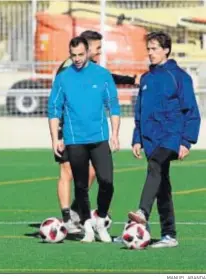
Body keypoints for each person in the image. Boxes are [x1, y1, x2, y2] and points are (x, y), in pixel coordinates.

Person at [54, 30, 139, 231]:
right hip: (69, 129)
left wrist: (130, 79)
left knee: (92, 172)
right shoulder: (69, 68)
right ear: (88, 47)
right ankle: (67, 217)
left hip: (88, 132)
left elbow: (105, 78)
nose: (100, 52)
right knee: (67, 172)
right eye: (98, 48)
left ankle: (76, 211)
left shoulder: (92, 68)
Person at [128, 31, 201, 248]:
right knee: (162, 185)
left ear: (166, 50)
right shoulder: (147, 79)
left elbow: (191, 111)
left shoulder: (179, 77)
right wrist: (137, 138)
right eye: (148, 49)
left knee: (156, 164)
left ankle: (142, 211)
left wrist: (186, 141)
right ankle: (169, 235)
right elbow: (140, 112)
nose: (150, 53)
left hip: (171, 136)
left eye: (155, 49)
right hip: (150, 139)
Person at [48, 36, 121, 243]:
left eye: (81, 54)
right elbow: (54, 109)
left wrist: (115, 134)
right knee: (81, 186)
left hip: (99, 138)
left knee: (107, 182)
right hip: (74, 140)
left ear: (87, 51)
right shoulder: (63, 78)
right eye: (73, 55)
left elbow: (113, 106)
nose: (77, 59)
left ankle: (101, 217)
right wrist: (55, 139)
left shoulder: (102, 75)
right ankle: (88, 225)